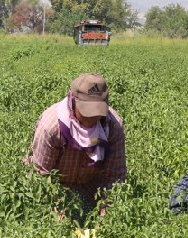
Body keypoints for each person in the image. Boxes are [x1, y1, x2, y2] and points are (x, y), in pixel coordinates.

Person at [24, 73, 127, 215]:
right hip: (56, 187)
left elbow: (115, 176)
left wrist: (106, 213)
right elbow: (40, 175)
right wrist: (56, 210)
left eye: (97, 111)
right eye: (87, 111)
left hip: (90, 185)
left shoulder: (112, 126)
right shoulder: (52, 127)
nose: (92, 117)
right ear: (73, 100)